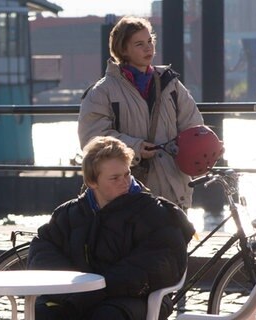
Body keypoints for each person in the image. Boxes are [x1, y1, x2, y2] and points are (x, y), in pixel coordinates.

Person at [27, 136, 194, 320]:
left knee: (105, 315)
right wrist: (73, 289)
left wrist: (96, 289)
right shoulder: (69, 213)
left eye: (127, 174)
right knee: (44, 312)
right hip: (78, 296)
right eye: (115, 178)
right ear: (92, 182)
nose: (125, 182)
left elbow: (157, 264)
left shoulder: (154, 212)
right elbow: (41, 250)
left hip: (136, 298)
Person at [78, 16, 204, 211]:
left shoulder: (171, 85)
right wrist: (135, 148)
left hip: (173, 189)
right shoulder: (102, 91)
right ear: (123, 49)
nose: (148, 48)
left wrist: (206, 147)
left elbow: (193, 125)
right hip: (127, 194)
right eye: (139, 44)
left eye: (150, 41)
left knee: (174, 241)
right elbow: (92, 139)